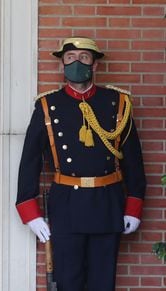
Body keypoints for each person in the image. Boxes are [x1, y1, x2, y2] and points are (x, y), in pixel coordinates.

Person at [15, 37, 146, 291]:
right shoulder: (47, 106)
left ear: (95, 65)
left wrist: (134, 205)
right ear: (61, 64)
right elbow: (29, 161)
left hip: (107, 203)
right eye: (70, 58)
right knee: (68, 282)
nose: (77, 63)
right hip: (67, 206)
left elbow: (134, 160)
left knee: (103, 283)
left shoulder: (118, 103)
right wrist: (29, 211)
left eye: (84, 57)